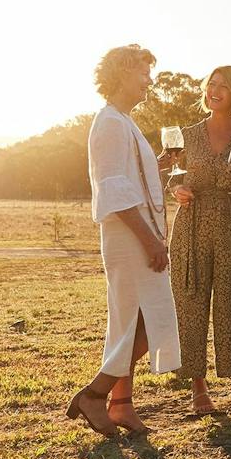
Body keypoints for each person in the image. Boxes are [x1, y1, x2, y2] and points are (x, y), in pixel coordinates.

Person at [68, 44, 182, 436]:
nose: (149, 80)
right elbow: (113, 188)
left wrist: (157, 164)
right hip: (129, 237)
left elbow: (126, 174)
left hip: (137, 234)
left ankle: (121, 405)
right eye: (144, 72)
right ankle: (95, 395)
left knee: (132, 321)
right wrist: (150, 240)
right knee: (146, 322)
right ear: (123, 72)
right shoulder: (111, 122)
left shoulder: (124, 121)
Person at [167, 66, 231, 416]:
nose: (214, 90)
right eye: (211, 84)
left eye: (224, 86)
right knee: (190, 306)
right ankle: (198, 389)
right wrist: (177, 190)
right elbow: (173, 179)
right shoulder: (187, 135)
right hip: (191, 224)